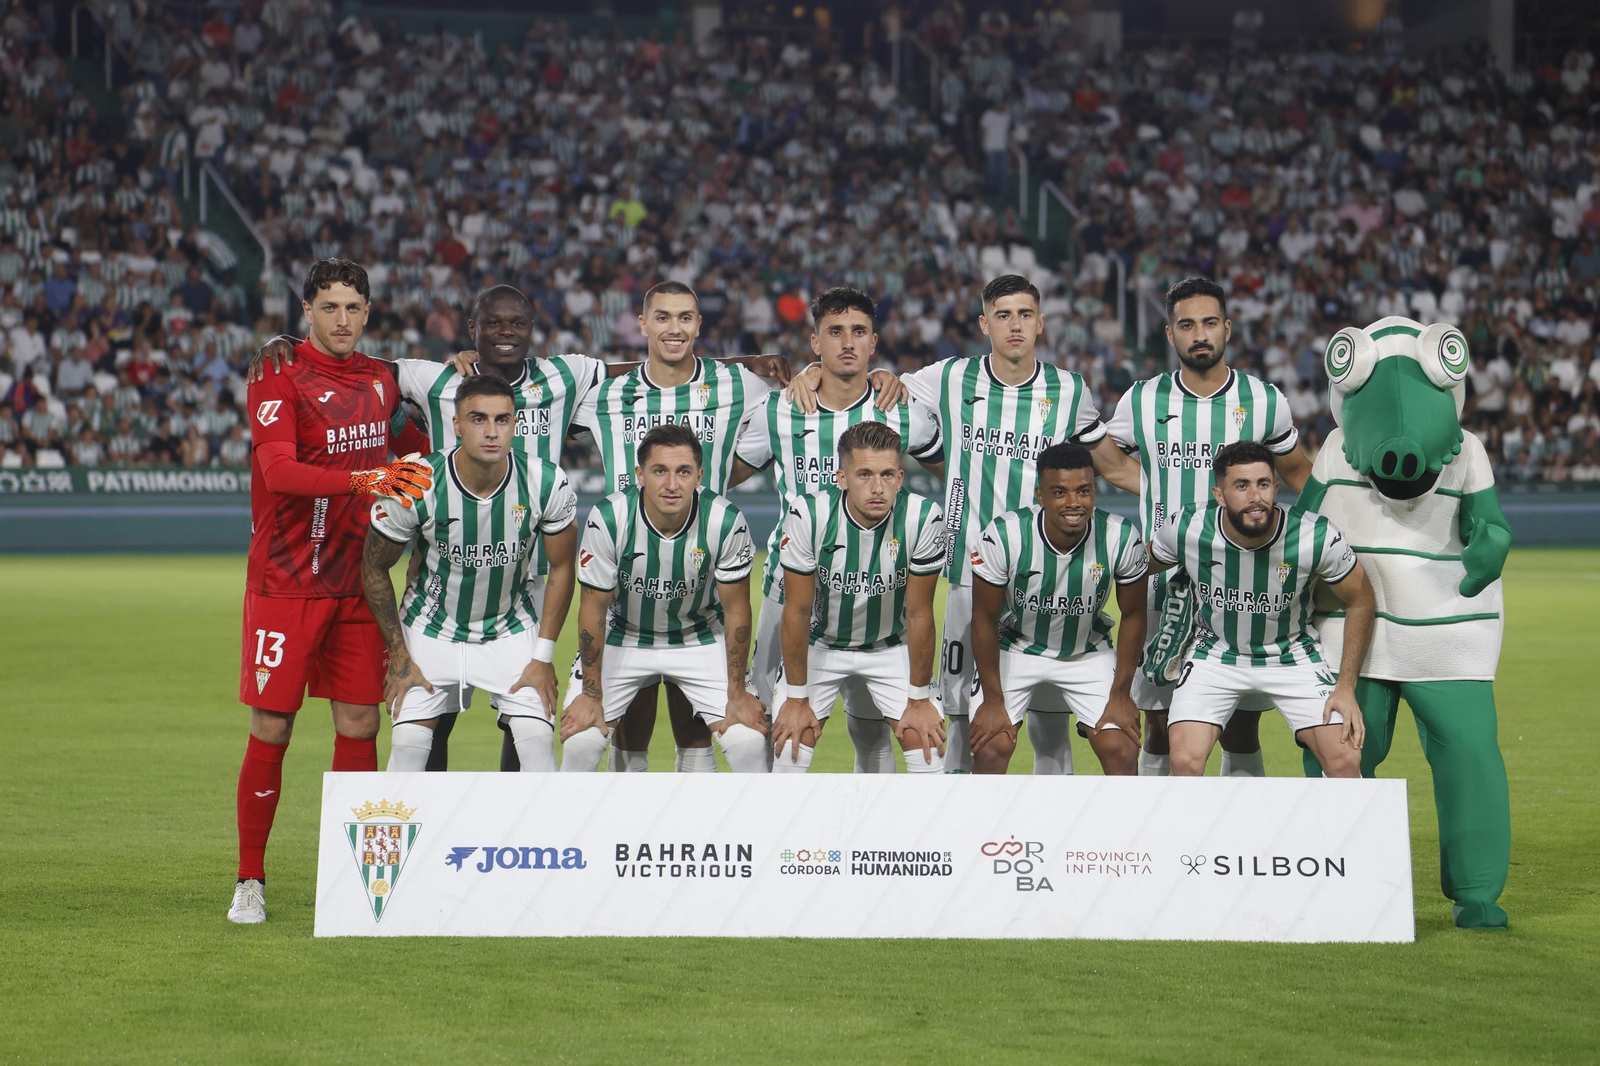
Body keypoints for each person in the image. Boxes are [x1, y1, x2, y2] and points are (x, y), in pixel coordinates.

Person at [793, 274, 1140, 773]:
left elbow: (1114, 466)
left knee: (1048, 718)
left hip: (1042, 571)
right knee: (958, 708)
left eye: (1024, 314)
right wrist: (810, 371)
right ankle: (957, 817)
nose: (1014, 325)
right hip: (967, 569)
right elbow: (864, 378)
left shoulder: (1068, 390)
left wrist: (1176, 497)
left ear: (1041, 323)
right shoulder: (951, 378)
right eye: (1003, 315)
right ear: (984, 324)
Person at [229, 258, 433, 925]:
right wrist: (366, 483)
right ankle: (249, 880)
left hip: (358, 584)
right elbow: (280, 471)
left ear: (368, 312)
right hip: (286, 584)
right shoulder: (277, 377)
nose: (342, 320)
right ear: (306, 311)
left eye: (353, 308)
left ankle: (351, 880)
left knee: (361, 723)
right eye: (329, 307)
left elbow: (411, 443)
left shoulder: (380, 380)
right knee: (273, 725)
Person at [1105, 276, 1313, 778]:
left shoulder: (1263, 401)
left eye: (1210, 323)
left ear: (1228, 328)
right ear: (1170, 333)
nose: (1200, 334)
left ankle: (1233, 841)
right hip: (1164, 583)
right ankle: (1160, 843)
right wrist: (1155, 485)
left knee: (1241, 725)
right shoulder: (1141, 401)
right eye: (1187, 325)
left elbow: (1299, 475)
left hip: (1243, 585)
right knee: (1159, 721)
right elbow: (1110, 465)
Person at [735, 287, 944, 772]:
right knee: (774, 726)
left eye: (858, 332)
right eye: (835, 332)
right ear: (815, 343)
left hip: (879, 598)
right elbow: (724, 479)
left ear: (874, 342)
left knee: (873, 733)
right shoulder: (780, 409)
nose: (847, 343)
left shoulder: (900, 408)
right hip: (789, 596)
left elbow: (956, 476)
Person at [570, 282, 771, 773]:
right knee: (601, 737)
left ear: (699, 326)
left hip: (701, 585)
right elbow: (534, 410)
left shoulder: (740, 386)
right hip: (626, 594)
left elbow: (799, 404)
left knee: (718, 736)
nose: (674, 328)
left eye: (686, 317)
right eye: (662, 317)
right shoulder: (606, 396)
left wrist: (803, 372)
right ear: (642, 325)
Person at [357, 374, 578, 772]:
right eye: (477, 419)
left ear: (515, 423)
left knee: (538, 742)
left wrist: (543, 657)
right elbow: (373, 567)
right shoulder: (416, 482)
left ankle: (536, 835)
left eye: (502, 420)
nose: (491, 431)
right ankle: (406, 834)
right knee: (408, 744)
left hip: (509, 627)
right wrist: (399, 655)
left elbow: (562, 567)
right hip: (430, 627)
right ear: (457, 424)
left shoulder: (546, 482)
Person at [1145, 441, 1375, 777]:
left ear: (1276, 488)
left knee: (1345, 759)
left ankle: (1332, 830)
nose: (1255, 496)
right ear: (1220, 495)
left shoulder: (1314, 536)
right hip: (1215, 655)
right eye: (1241, 485)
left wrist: (1346, 687)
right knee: (1185, 761)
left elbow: (1362, 599)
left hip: (1292, 655)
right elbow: (1134, 565)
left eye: (1263, 484)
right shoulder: (1189, 527)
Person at [557, 425, 768, 773]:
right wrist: (591, 695)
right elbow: (592, 609)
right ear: (640, 474)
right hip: (624, 634)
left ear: (699, 475)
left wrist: (737, 691)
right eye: (660, 471)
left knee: (748, 742)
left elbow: (736, 609)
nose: (672, 484)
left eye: (683, 472)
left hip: (699, 635)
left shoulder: (725, 520)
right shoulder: (609, 518)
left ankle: (740, 829)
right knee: (581, 742)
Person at [772, 422, 947, 774]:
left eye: (886, 475)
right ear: (841, 477)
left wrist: (918, 699)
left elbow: (919, 614)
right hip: (820, 645)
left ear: (900, 477)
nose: (877, 488)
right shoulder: (810, 514)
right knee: (791, 745)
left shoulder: (923, 517)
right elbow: (798, 609)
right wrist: (795, 697)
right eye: (864, 474)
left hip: (890, 646)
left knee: (927, 747)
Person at [968, 443, 1149, 775]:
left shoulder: (1121, 537)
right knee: (992, 744)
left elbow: (1135, 615)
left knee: (1122, 747)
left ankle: (1122, 828)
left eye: (1083, 491)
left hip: (1087, 651)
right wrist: (993, 701)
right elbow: (984, 617)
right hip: (1017, 648)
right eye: (1060, 492)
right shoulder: (1005, 535)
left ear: (1095, 490)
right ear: (1041, 495)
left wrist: (1121, 693)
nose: (1073, 503)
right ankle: (983, 828)